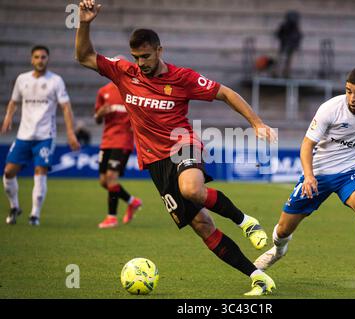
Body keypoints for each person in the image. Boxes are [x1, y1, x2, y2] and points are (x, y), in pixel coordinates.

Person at [75, 0, 278, 296]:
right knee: (201, 224)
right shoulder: (124, 73)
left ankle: (246, 222)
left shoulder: (182, 78)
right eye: (136, 57)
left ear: (159, 50)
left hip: (183, 144)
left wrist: (256, 123)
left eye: (146, 56)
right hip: (154, 162)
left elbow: (225, 93)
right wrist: (85, 22)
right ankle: (258, 276)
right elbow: (83, 57)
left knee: (192, 189)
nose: (141, 63)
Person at [254, 66, 355, 289]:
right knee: (283, 230)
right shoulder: (330, 108)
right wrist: (309, 177)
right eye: (349, 91)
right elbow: (306, 144)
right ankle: (278, 250)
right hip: (318, 175)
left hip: (351, 172)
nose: (352, 98)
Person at [1, 45, 80, 226]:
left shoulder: (56, 81)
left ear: (47, 59)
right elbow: (13, 102)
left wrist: (70, 132)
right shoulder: (22, 79)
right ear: (32, 59)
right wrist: (8, 117)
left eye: (43, 57)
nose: (40, 60)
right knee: (8, 172)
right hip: (24, 135)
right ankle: (15, 207)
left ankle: (34, 215)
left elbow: (66, 107)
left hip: (45, 136)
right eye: (36, 57)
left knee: (40, 172)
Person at [94, 75, 142, 229]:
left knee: (111, 178)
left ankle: (111, 218)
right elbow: (97, 119)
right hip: (106, 141)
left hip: (123, 142)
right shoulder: (104, 91)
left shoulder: (133, 92)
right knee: (103, 181)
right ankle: (132, 201)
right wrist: (100, 113)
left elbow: (141, 117)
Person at [275, 10, 303, 78]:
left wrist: (296, 44)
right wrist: (283, 38)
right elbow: (278, 34)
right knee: (281, 59)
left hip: (290, 46)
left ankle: (286, 73)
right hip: (284, 45)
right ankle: (277, 73)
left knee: (288, 60)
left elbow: (298, 36)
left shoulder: (295, 27)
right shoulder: (284, 26)